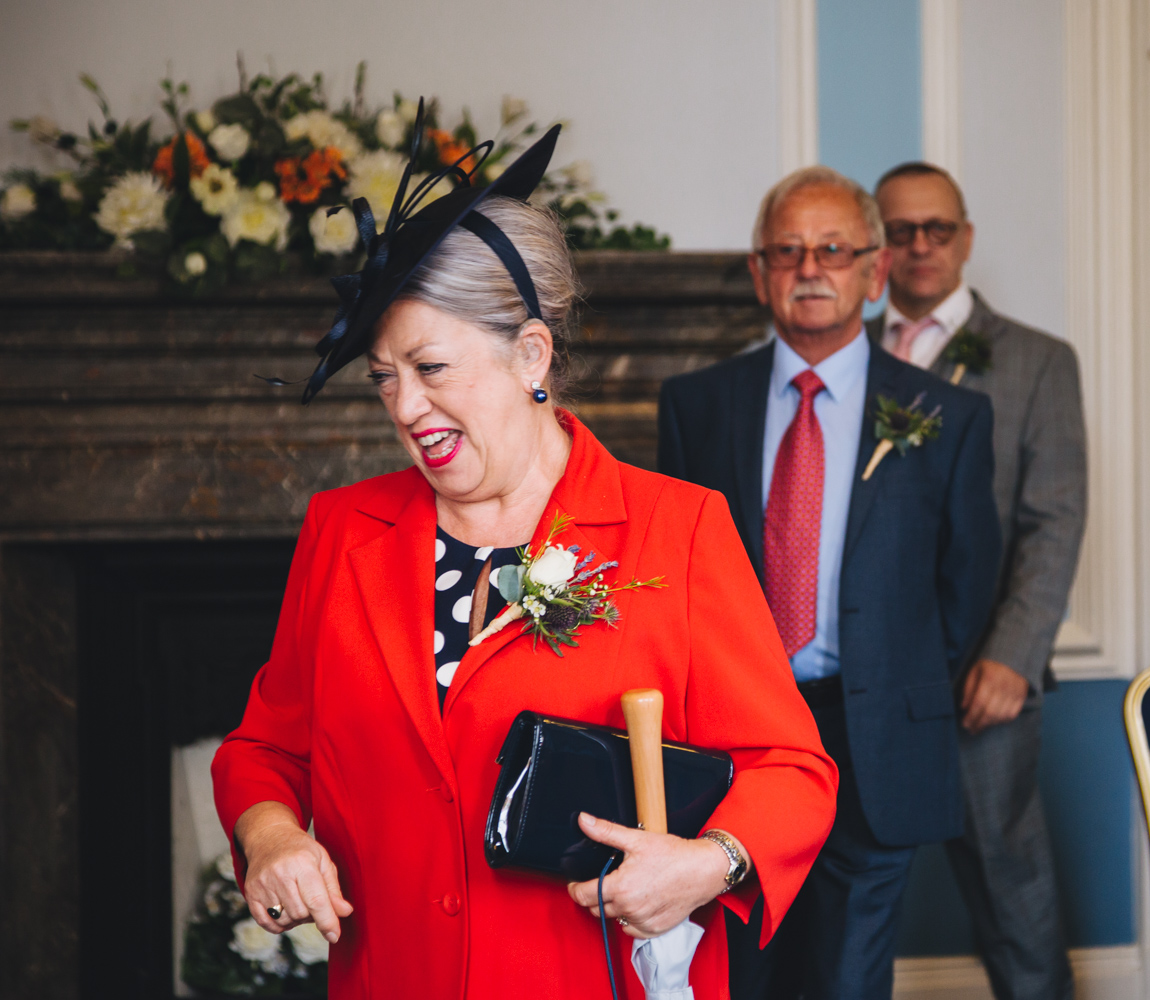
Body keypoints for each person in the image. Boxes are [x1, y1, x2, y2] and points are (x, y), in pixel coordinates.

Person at [211, 114, 838, 1000]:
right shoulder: (343, 532)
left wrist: (708, 864)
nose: (405, 404)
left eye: (431, 366)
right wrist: (271, 835)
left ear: (530, 354)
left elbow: (793, 772)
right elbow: (264, 749)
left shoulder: (679, 529)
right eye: (385, 377)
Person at [657, 166, 1002, 1000]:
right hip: (736, 738)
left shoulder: (946, 416)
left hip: (875, 735)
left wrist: (898, 675)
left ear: (874, 271)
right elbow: (673, 579)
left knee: (846, 975)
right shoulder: (696, 405)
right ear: (759, 272)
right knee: (747, 972)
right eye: (788, 250)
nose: (810, 268)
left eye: (833, 249)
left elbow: (969, 577)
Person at [871, 161, 1086, 1000]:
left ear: (966, 239)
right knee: (849, 896)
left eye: (938, 229)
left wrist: (1014, 655)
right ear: (877, 246)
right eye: (900, 231)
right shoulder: (843, 353)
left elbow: (1055, 520)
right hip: (868, 682)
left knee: (1013, 893)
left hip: (980, 679)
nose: (921, 246)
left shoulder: (1039, 362)